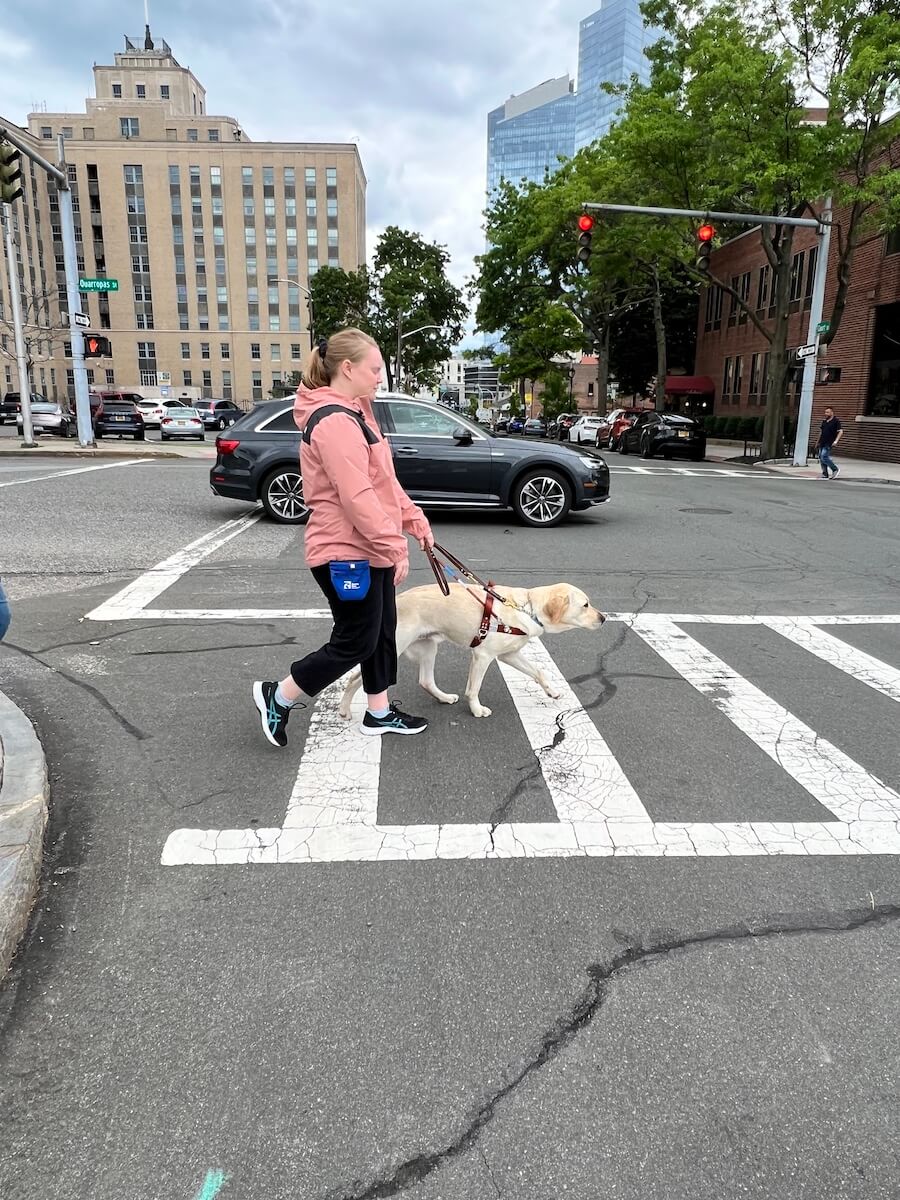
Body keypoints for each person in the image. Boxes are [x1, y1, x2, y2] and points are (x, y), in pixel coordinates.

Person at [252, 327, 434, 748]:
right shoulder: (334, 420)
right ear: (347, 368)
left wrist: (414, 521)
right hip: (344, 551)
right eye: (374, 369)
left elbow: (383, 483)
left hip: (367, 548)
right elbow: (356, 496)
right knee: (356, 639)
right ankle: (278, 696)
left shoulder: (355, 413)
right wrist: (394, 544)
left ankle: (379, 712)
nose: (379, 378)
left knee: (381, 631)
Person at [815, 406, 843, 479]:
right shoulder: (824, 421)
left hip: (829, 442)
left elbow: (840, 431)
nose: (826, 414)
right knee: (821, 457)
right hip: (822, 441)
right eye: (825, 412)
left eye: (827, 412)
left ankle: (835, 469)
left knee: (824, 456)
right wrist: (817, 442)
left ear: (832, 413)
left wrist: (836, 441)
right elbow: (821, 432)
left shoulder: (836, 421)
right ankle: (825, 473)